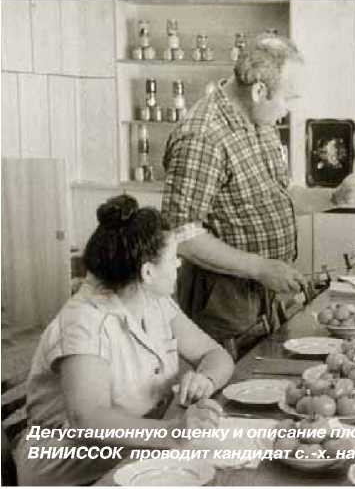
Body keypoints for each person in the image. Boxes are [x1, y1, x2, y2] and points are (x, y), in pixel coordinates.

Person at [161, 32, 355, 356]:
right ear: (259, 91)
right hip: (224, 299)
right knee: (233, 380)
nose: (288, 109)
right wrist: (260, 268)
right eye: (289, 98)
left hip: (265, 290)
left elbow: (281, 195)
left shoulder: (260, 120)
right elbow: (183, 236)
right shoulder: (202, 137)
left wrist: (334, 198)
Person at [14, 195, 234, 486]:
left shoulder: (155, 302)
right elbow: (88, 420)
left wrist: (205, 379)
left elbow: (215, 355)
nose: (179, 265)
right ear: (147, 272)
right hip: (73, 469)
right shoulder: (84, 320)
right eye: (173, 258)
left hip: (135, 450)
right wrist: (171, 432)